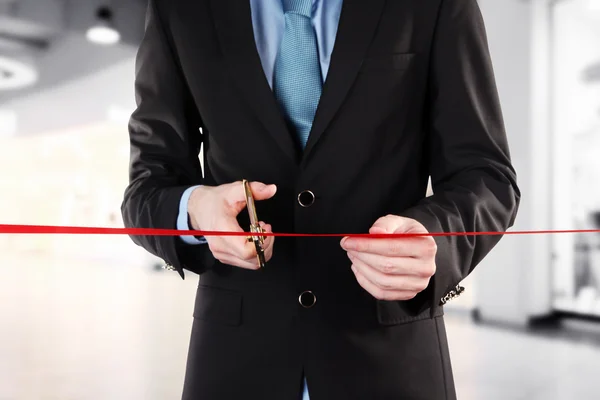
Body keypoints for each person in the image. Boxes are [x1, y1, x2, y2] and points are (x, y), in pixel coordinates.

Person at [121, 0, 520, 398]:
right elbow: (147, 186)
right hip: (234, 363)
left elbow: (487, 176)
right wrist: (194, 210)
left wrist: (435, 237)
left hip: (391, 361)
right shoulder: (178, 9)